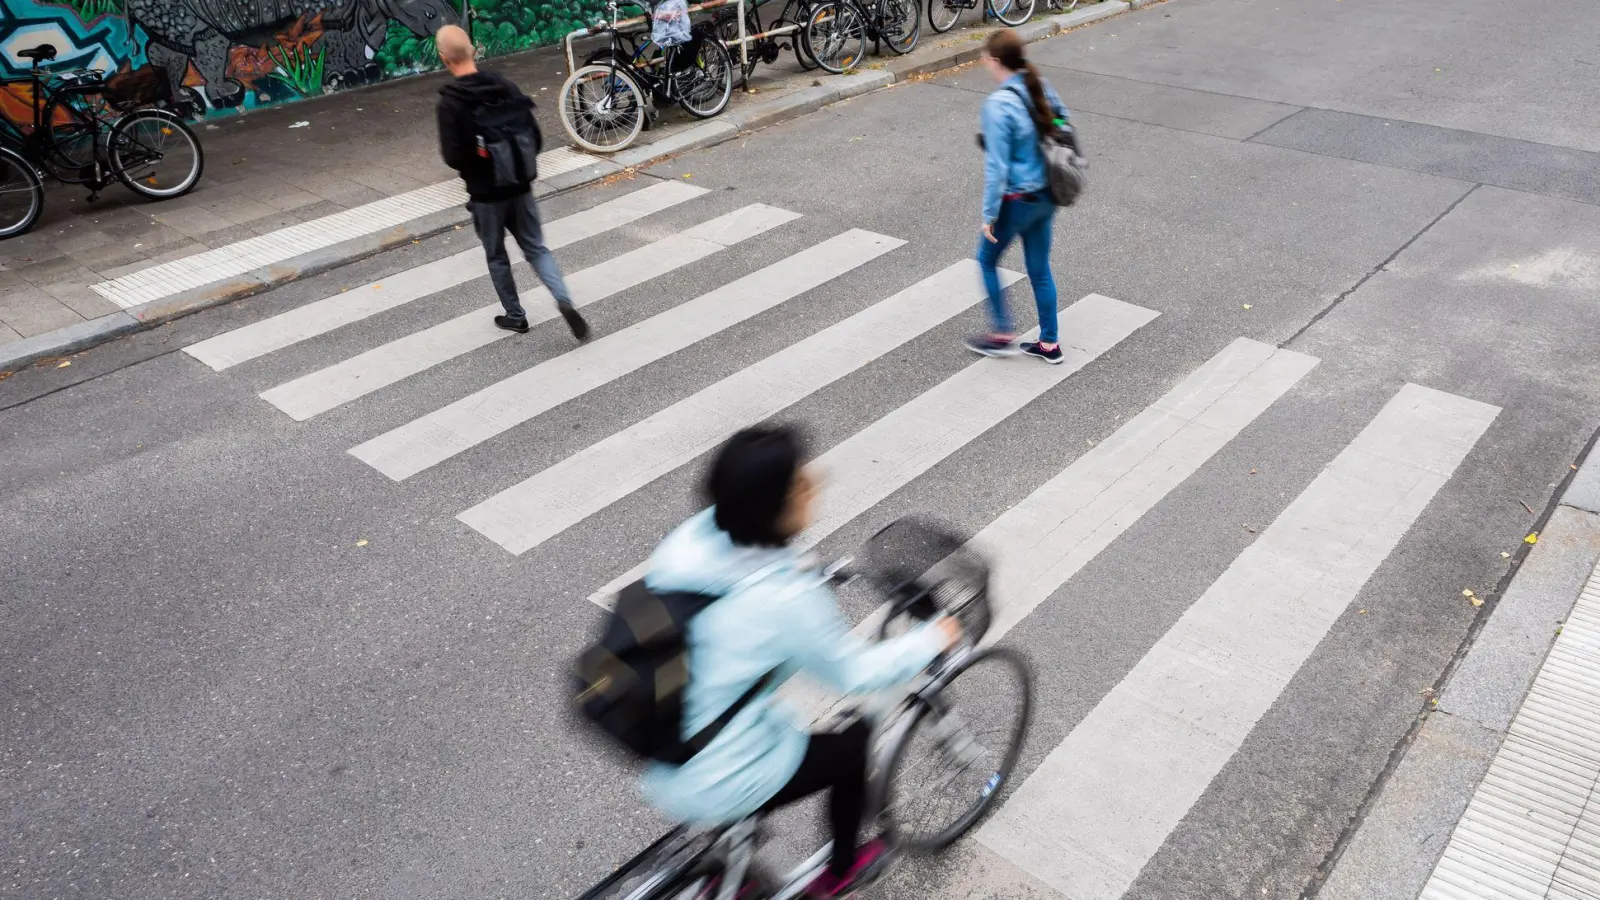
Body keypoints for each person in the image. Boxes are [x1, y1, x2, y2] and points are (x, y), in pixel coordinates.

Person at [639, 425, 962, 898]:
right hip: (713, 772)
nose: (814, 481)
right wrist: (931, 639)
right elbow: (854, 673)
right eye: (800, 481)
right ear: (776, 506)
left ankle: (728, 869)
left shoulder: (691, 539)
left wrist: (807, 572)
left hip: (659, 740)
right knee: (852, 749)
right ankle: (841, 873)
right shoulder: (788, 601)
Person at [434, 25, 588, 340]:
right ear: (474, 50)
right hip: (520, 187)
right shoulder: (504, 86)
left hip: (485, 197)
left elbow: (453, 157)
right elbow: (535, 137)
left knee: (496, 255)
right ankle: (563, 299)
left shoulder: (450, 102)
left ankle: (516, 316)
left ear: (443, 59)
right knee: (536, 248)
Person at [966, 29, 1070, 365]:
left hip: (1018, 200)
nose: (983, 62)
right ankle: (1050, 343)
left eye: (985, 57)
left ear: (996, 61)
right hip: (1047, 195)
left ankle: (1001, 333)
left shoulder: (998, 105)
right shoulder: (1039, 84)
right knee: (1039, 269)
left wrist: (988, 215)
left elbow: (997, 168)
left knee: (986, 260)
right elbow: (1061, 121)